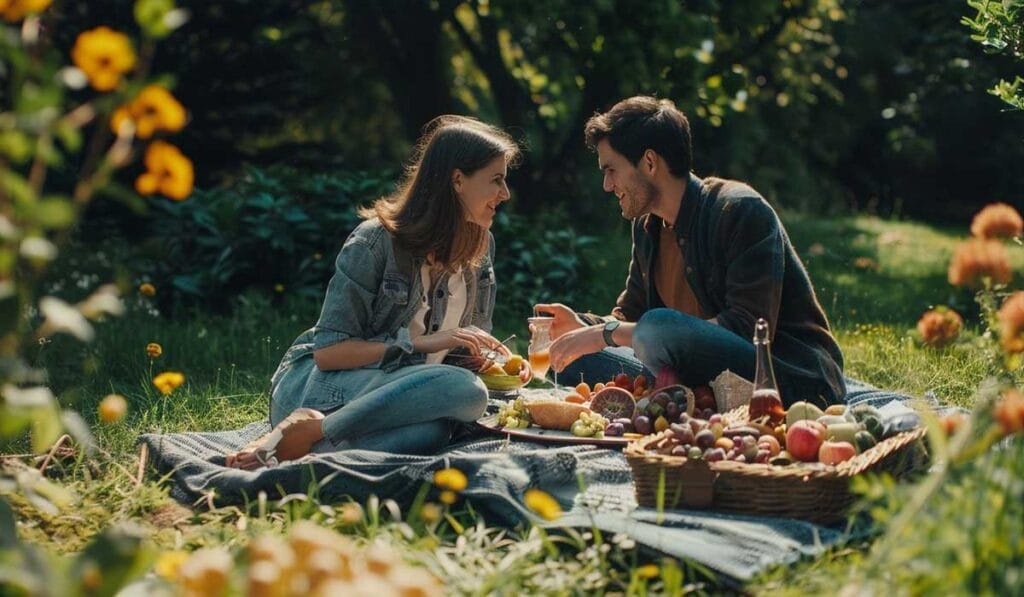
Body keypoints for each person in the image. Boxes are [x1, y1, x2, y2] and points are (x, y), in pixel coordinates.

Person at [227, 115, 523, 469]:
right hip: (326, 389)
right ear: (457, 180)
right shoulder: (374, 242)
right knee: (468, 393)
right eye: (496, 180)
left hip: (402, 397)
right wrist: (418, 344)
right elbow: (328, 354)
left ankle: (306, 451)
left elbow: (453, 359)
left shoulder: (481, 246)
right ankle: (310, 426)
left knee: (433, 433)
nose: (505, 194)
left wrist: (489, 362)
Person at [538, 96, 845, 407]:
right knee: (568, 358)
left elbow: (746, 330)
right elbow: (630, 316)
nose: (606, 184)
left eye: (611, 170)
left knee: (657, 326)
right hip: (696, 373)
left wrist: (606, 334)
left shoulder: (738, 210)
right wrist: (583, 327)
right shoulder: (647, 227)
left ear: (649, 163)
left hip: (783, 380)